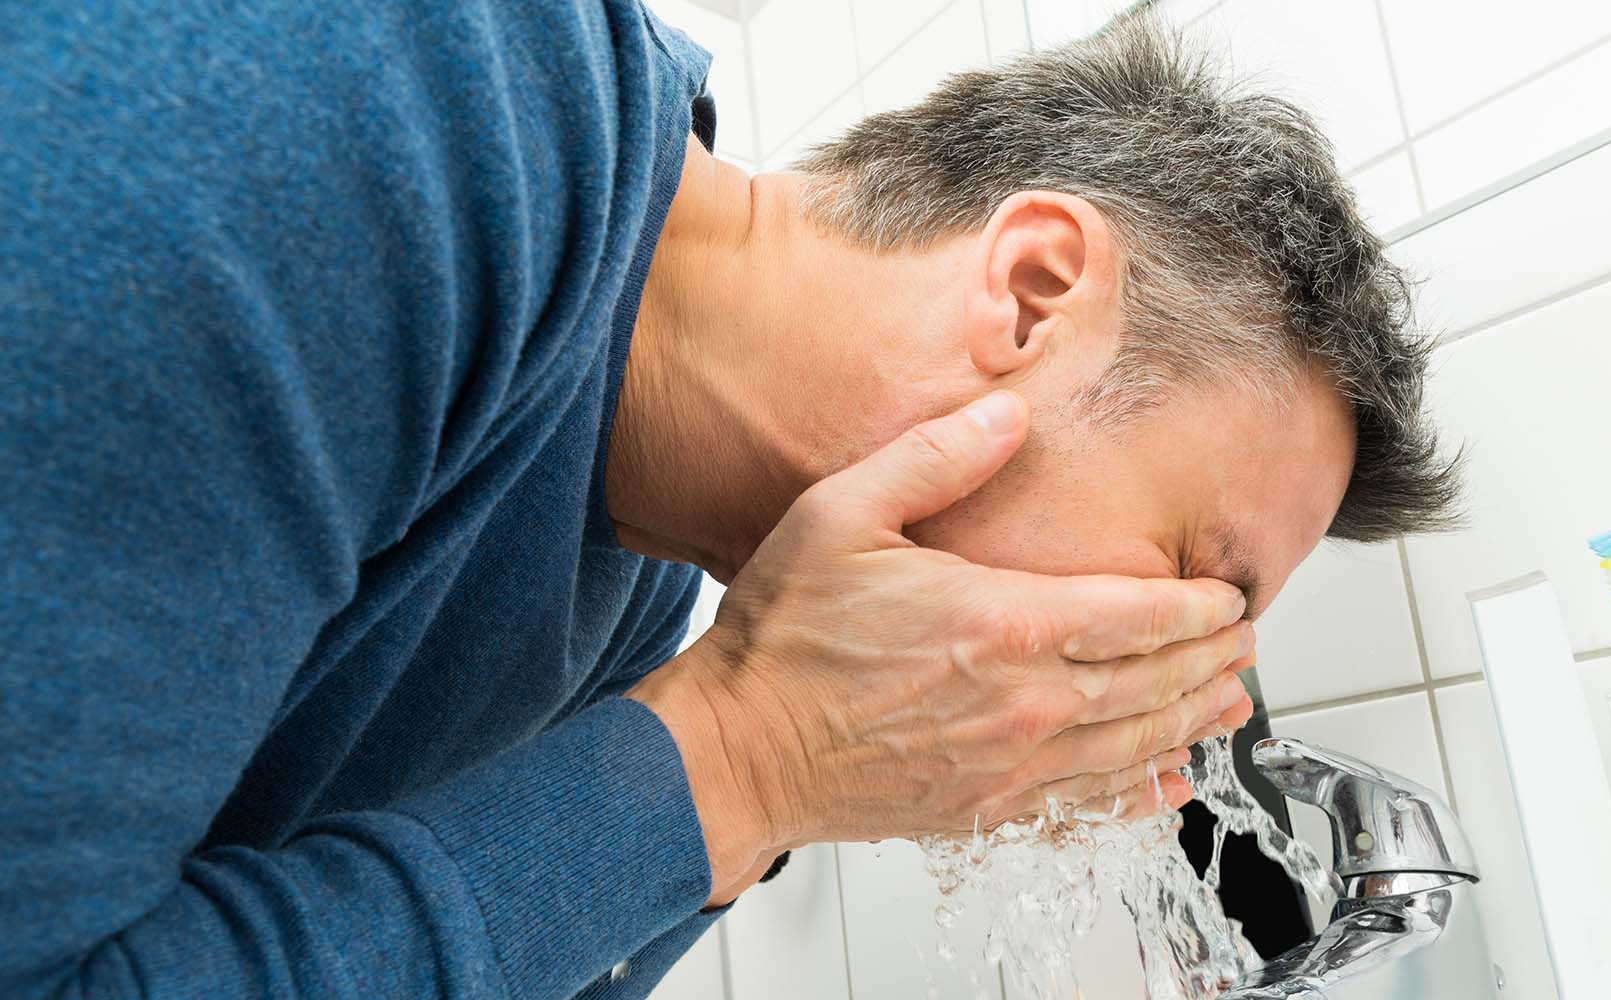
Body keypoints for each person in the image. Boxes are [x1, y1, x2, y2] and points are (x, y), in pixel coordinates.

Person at [0, 2, 1457, 998]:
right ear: (1030, 294)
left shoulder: (636, 625)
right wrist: (746, 760)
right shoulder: (366, 88)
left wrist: (780, 772)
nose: (1187, 699)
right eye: (1199, 588)